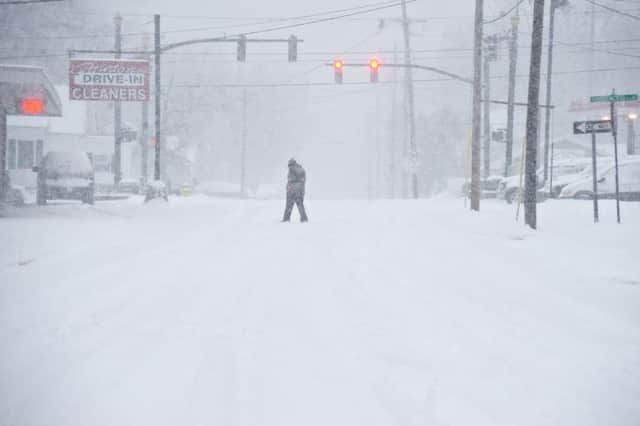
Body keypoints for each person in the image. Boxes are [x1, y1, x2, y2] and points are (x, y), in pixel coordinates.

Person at [282, 158, 308, 222]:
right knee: (299, 206)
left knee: (290, 206)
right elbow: (302, 181)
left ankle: (286, 219)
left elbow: (292, 180)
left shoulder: (295, 169)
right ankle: (304, 219)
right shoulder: (299, 169)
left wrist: (290, 187)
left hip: (294, 191)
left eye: (290, 165)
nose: (289, 167)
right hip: (297, 190)